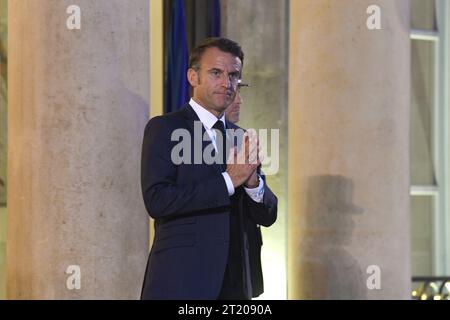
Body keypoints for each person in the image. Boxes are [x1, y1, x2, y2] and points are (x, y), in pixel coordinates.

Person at [140, 37, 277, 300]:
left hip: (235, 286)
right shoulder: (164, 128)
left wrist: (253, 185)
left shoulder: (241, 137)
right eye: (216, 73)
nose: (227, 83)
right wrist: (229, 180)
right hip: (181, 282)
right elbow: (157, 200)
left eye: (234, 75)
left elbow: (267, 216)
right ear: (193, 77)